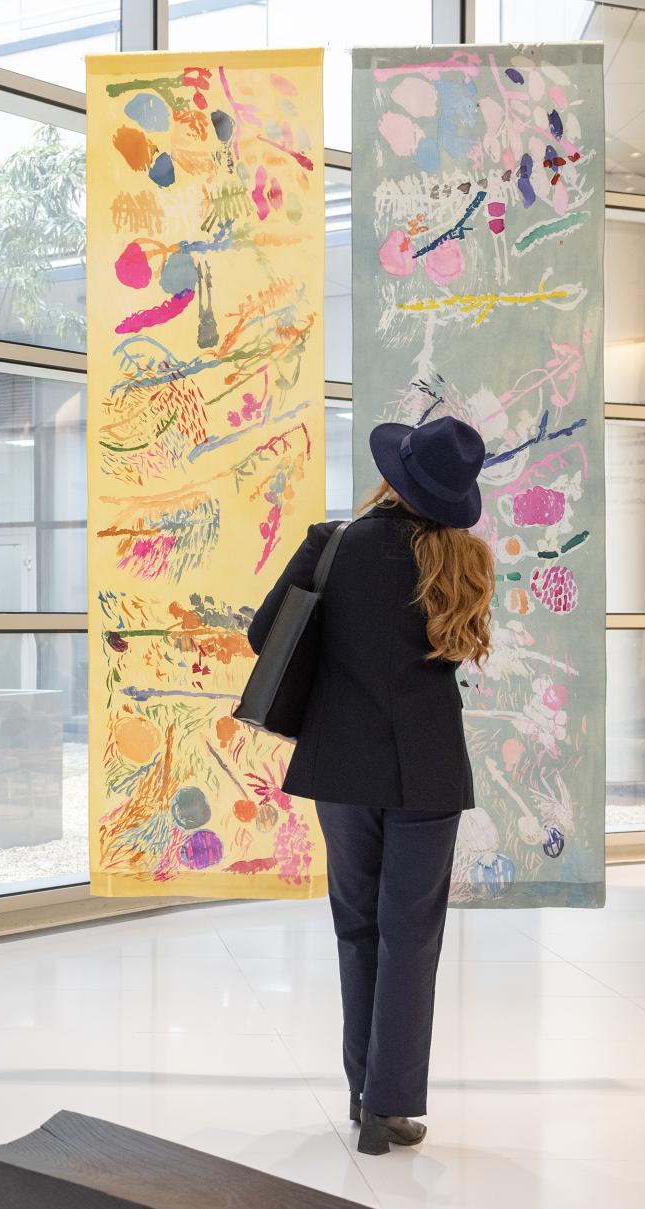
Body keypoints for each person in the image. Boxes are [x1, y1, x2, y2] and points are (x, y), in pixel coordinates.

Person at [245, 416, 493, 1156]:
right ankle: (389, 1106)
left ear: (395, 474)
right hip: (429, 772)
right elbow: (455, 649)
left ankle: (361, 1097)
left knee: (358, 927)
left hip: (342, 770)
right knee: (411, 938)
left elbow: (266, 635)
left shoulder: (336, 543)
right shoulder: (465, 560)